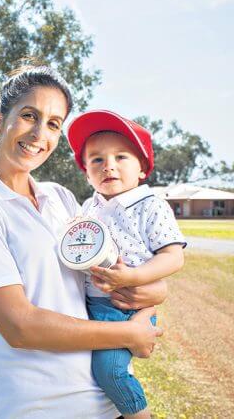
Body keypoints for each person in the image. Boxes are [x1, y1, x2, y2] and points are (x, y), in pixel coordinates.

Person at [0, 65, 168, 418]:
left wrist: (154, 293)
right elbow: (20, 326)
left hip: (102, 401)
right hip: (35, 408)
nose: (39, 134)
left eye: (53, 123)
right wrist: (127, 333)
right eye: (28, 116)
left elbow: (101, 279)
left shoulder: (61, 199)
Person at [66, 111, 186, 418]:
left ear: (142, 168)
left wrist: (132, 276)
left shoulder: (151, 205)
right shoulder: (87, 207)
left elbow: (174, 256)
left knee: (110, 372)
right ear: (86, 173)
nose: (108, 165)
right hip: (88, 306)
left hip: (123, 308)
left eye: (121, 156)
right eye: (96, 160)